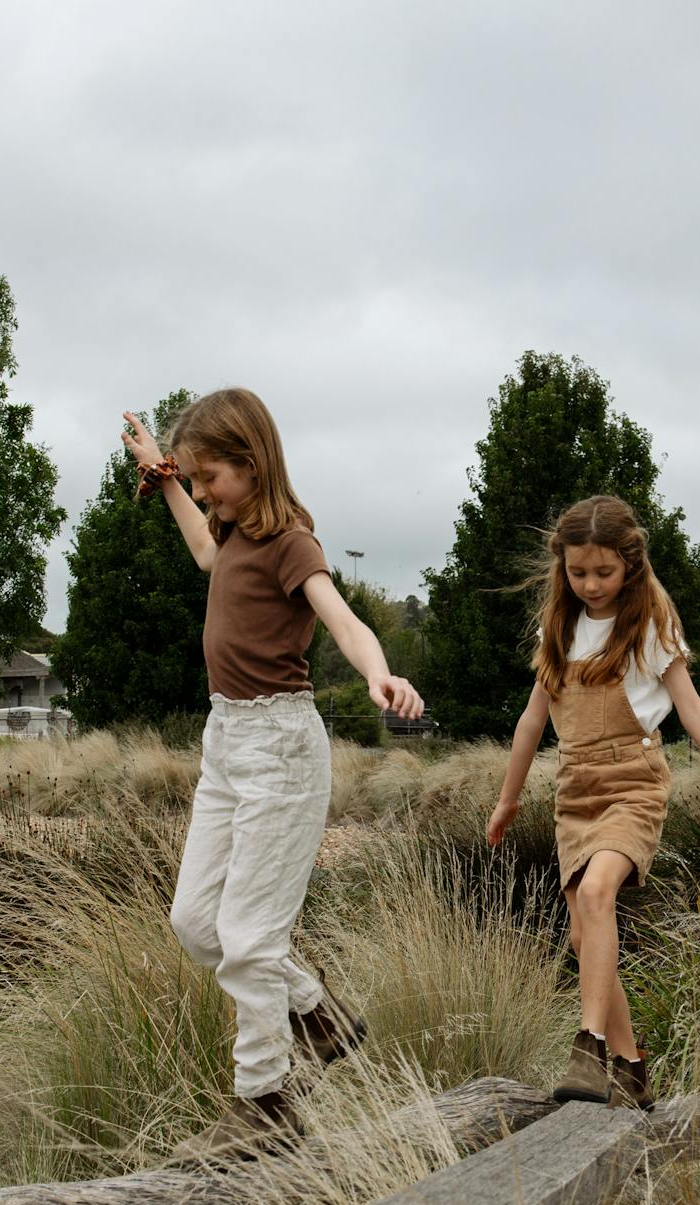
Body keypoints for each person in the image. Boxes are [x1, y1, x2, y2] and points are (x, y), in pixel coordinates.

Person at [122, 388, 424, 1165]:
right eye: (191, 481)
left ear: (252, 465)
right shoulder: (227, 529)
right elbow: (201, 551)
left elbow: (342, 618)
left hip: (282, 748)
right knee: (196, 925)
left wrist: (379, 675)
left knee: (248, 939)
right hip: (226, 744)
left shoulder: (292, 541)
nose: (200, 493)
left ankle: (267, 1106)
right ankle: (319, 1017)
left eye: (207, 478)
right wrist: (161, 479)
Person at [486, 495, 700, 1108]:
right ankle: (629, 1065)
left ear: (630, 565)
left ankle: (588, 1047)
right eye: (578, 573)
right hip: (575, 788)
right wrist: (508, 799)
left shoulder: (648, 627)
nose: (591, 584)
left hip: (634, 782)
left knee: (598, 896)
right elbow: (531, 720)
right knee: (583, 938)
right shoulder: (559, 628)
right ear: (562, 568)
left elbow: (694, 711)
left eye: (604, 572)